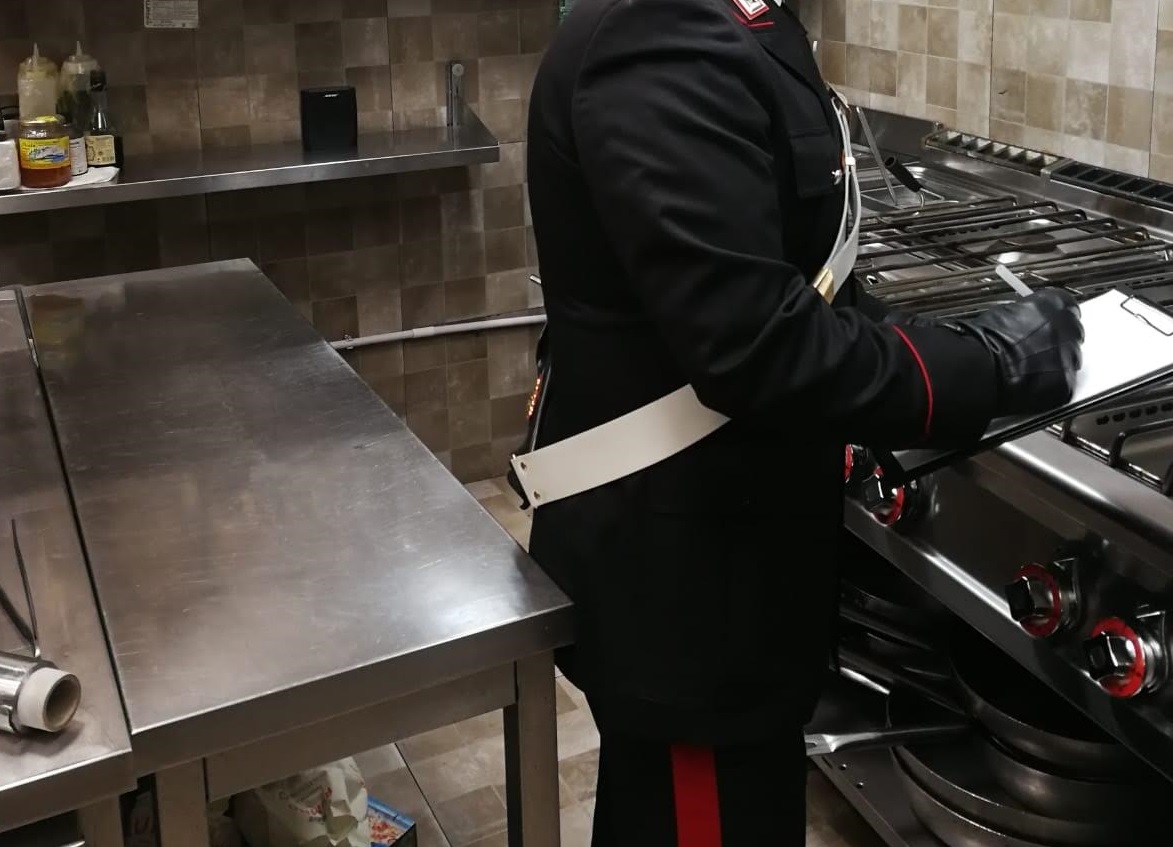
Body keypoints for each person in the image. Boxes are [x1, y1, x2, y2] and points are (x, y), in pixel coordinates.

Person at [520, 0, 1085, 842]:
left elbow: (785, 270)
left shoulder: (728, 19)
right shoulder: (659, 32)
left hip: (724, 559)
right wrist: (991, 362)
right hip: (687, 587)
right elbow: (755, 345)